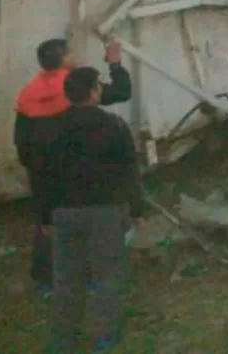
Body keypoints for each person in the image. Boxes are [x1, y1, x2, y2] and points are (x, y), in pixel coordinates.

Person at [15, 38, 132, 296]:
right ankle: (89, 278)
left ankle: (45, 280)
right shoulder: (74, 86)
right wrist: (115, 63)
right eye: (71, 52)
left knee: (47, 225)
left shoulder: (28, 92)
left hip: (43, 172)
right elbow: (122, 92)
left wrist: (36, 169)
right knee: (87, 222)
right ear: (64, 59)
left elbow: (21, 139)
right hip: (80, 170)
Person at [42, 66, 145, 354]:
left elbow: (43, 177)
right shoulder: (114, 126)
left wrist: (43, 216)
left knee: (66, 279)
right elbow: (129, 171)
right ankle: (104, 337)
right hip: (106, 211)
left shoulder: (51, 129)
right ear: (93, 92)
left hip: (64, 212)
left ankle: (64, 340)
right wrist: (137, 209)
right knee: (107, 275)